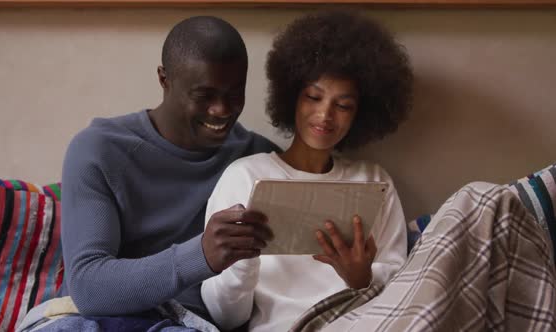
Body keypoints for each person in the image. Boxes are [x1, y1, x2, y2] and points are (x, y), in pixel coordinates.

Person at [20, 16, 278, 331]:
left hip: (187, 325)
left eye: (235, 93)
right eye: (204, 95)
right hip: (87, 320)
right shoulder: (100, 149)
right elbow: (88, 287)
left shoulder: (260, 161)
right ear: (164, 79)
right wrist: (200, 255)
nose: (222, 109)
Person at [201, 11, 414, 332]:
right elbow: (226, 318)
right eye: (314, 97)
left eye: (343, 105)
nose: (325, 115)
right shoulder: (244, 176)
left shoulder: (373, 181)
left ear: (361, 113)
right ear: (292, 96)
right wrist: (243, 262)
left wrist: (362, 279)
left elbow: (403, 288)